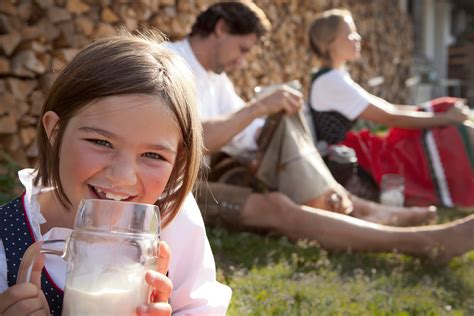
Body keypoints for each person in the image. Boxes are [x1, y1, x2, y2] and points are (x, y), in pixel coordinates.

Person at [167, 0, 474, 262]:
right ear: (220, 29)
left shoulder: (217, 80)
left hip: (212, 174)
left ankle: (348, 203)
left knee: (283, 119)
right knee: (277, 208)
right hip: (176, 188)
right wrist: (258, 107)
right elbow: (188, 142)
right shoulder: (168, 64)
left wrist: (276, 123)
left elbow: (250, 135)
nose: (243, 61)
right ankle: (422, 243)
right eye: (243, 49)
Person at [0, 32, 231, 315]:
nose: (122, 177)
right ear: (55, 131)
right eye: (101, 142)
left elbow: (200, 307)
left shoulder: (172, 219)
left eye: (153, 155)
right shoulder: (7, 241)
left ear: (178, 158)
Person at [307, 8, 474, 208]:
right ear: (330, 42)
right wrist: (446, 119)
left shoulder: (336, 76)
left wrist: (436, 111)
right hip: (350, 157)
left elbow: (388, 107)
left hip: (358, 148)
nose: (357, 38)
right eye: (350, 34)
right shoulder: (331, 81)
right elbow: (390, 117)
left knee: (443, 108)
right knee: (454, 131)